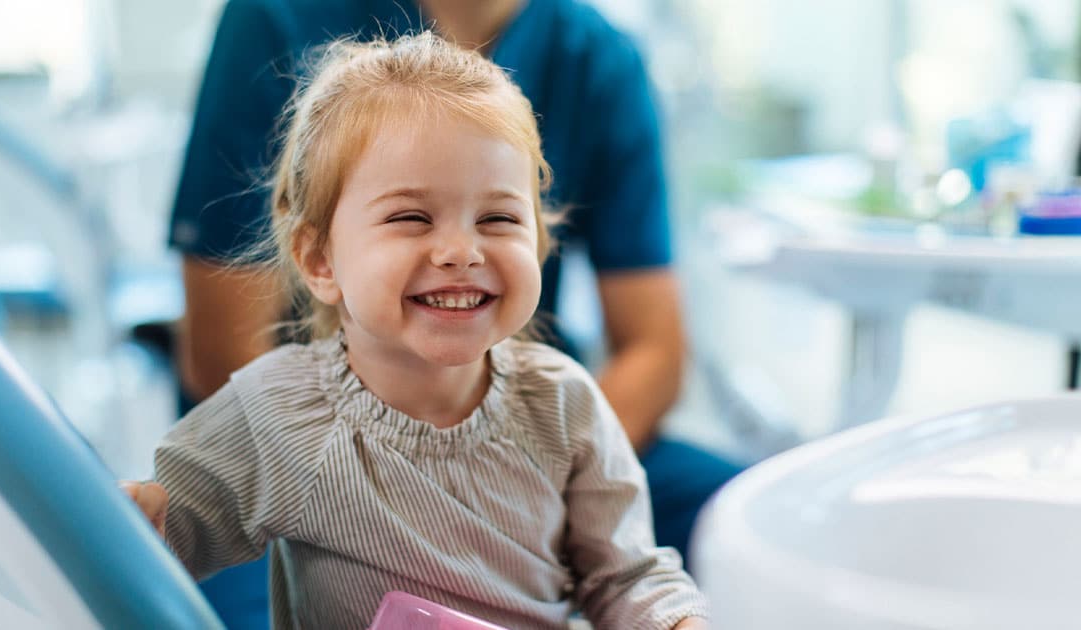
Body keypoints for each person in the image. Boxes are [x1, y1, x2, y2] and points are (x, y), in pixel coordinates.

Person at [169, 0, 741, 626]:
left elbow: (631, 570)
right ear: (318, 258)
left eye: (498, 219)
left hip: (523, 443)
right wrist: (383, 500)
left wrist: (530, 501)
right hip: (311, 470)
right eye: (411, 217)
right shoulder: (280, 412)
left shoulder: (565, 408)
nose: (461, 251)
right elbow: (160, 517)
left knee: (753, 520)